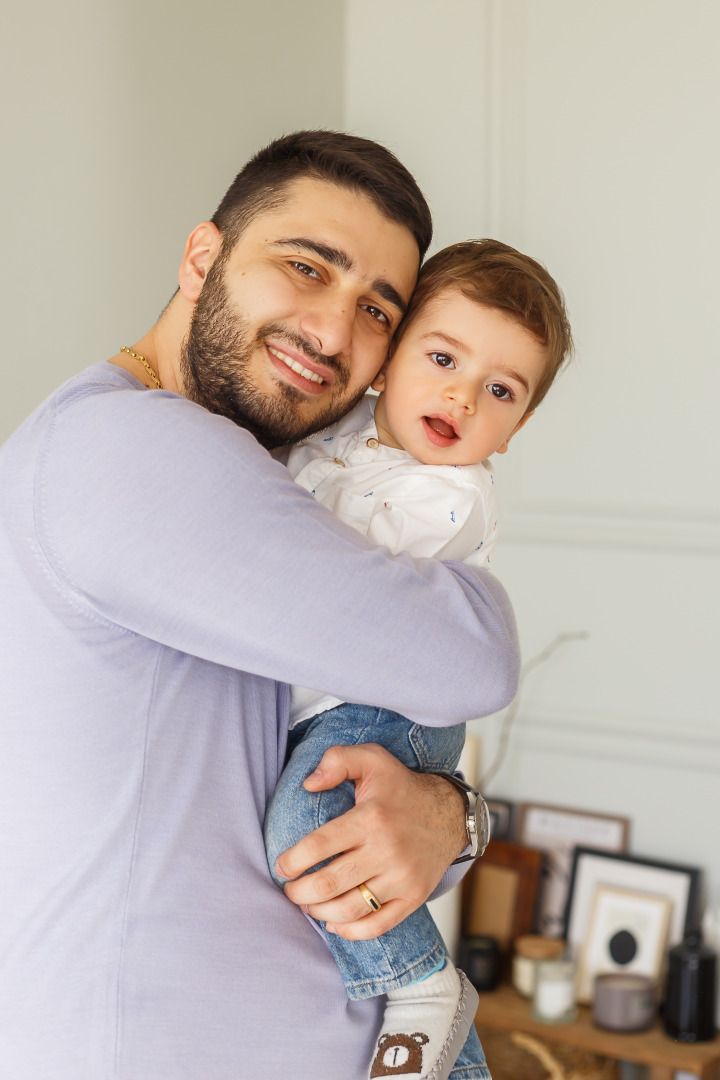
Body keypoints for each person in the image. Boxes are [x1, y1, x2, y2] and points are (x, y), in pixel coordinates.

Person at [0, 131, 521, 1080]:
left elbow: (322, 769)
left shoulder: (247, 477)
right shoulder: (135, 450)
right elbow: (473, 657)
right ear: (203, 258)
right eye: (305, 266)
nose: (332, 332)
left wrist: (450, 814)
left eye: (376, 309)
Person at [265, 239, 573, 1080]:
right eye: (442, 358)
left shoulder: (450, 496)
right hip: (332, 702)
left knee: (310, 828)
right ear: (388, 361)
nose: (461, 396)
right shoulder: (338, 431)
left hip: (381, 713)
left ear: (516, 427)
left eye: (500, 391)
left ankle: (422, 985)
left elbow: (337, 589)